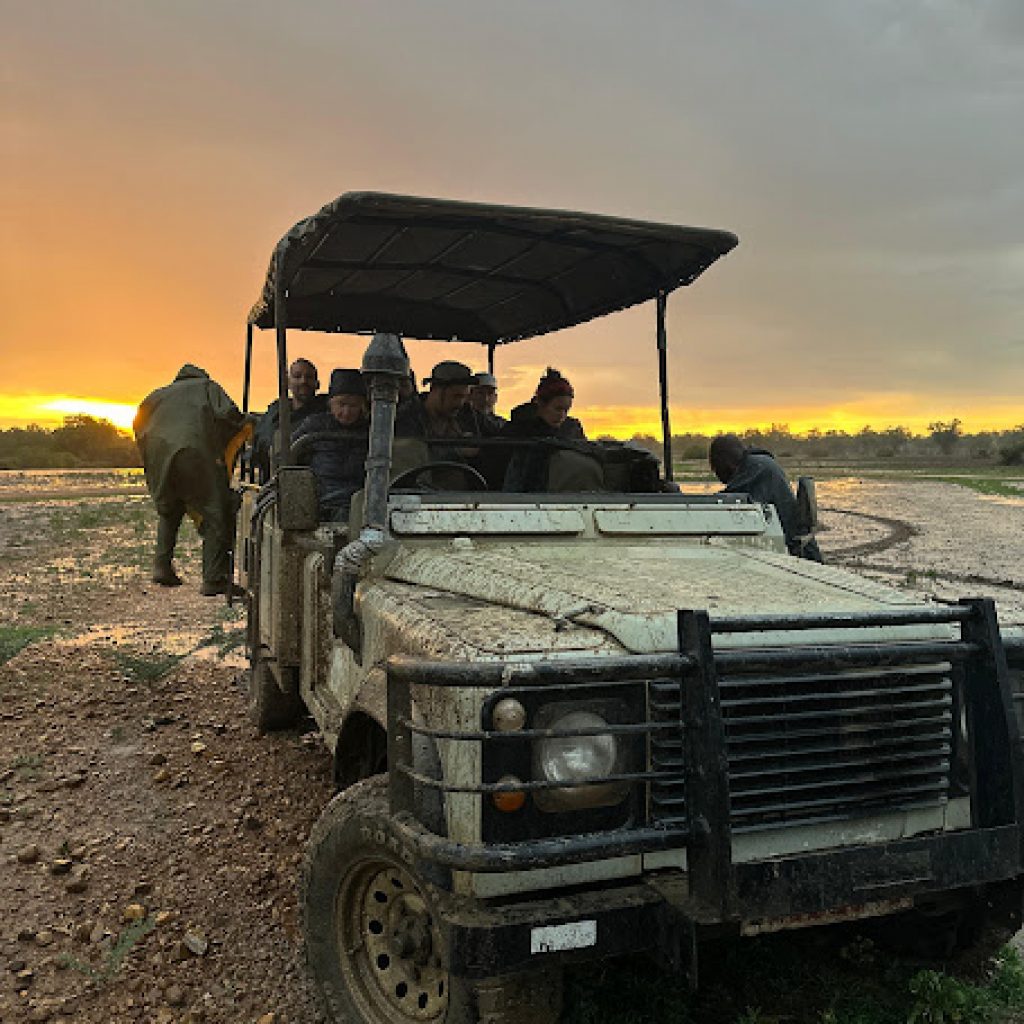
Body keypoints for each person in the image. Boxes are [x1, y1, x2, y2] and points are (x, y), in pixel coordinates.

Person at [133, 364, 246, 595]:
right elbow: (230, 415)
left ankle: (162, 566)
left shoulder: (156, 395)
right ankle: (213, 578)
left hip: (158, 457)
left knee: (170, 509)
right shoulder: (207, 387)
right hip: (194, 455)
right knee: (215, 510)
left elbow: (138, 425)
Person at [708, 433, 823, 562]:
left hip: (795, 548)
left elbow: (725, 501)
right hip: (792, 541)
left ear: (726, 463)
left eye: (715, 467)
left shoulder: (756, 467)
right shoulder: (759, 463)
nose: (716, 473)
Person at [485, 368, 588, 489]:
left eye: (566, 410)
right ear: (540, 404)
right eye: (558, 409)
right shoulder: (515, 431)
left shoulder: (572, 429)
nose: (562, 416)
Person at [292, 369, 369, 522]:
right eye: (341, 404)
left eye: (353, 405)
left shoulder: (371, 430)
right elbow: (289, 457)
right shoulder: (314, 426)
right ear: (331, 403)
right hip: (320, 501)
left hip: (361, 501)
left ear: (362, 406)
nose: (346, 412)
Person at [252, 358, 328, 481]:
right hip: (274, 477)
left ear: (317, 384)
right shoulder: (274, 412)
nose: (303, 381)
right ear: (287, 383)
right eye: (297, 376)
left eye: (309, 377)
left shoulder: (326, 412)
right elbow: (261, 440)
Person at [395, 360, 475, 453]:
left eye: (464, 397)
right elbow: (410, 453)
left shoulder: (468, 416)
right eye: (456, 396)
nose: (460, 403)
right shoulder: (407, 417)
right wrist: (457, 451)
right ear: (436, 389)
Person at [458, 371, 506, 437]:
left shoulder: (502, 423)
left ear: (496, 397)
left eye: (490, 393)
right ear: (469, 395)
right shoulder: (459, 422)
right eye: (480, 393)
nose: (485, 398)